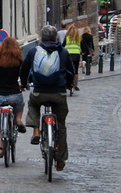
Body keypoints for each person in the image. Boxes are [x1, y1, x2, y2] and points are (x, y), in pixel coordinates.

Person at [20, 25, 74, 172]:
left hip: (39, 92)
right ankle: (61, 159)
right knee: (61, 125)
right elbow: (71, 71)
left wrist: (24, 83)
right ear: (56, 38)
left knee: (33, 104)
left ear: (42, 38)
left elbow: (24, 69)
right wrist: (69, 85)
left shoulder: (33, 51)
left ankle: (36, 129)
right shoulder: (63, 52)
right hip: (59, 94)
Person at [0, 37, 26, 158]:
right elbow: (23, 73)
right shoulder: (18, 60)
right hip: (15, 94)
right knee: (20, 105)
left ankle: (1, 148)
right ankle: (18, 119)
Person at [63, 24, 82, 91]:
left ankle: (67, 83)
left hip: (68, 55)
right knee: (76, 70)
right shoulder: (78, 38)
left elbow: (63, 45)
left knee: (67, 69)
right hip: (76, 55)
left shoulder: (67, 37)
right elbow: (81, 46)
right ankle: (76, 85)